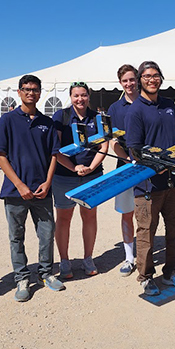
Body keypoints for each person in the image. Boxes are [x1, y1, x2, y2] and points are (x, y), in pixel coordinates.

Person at [125, 61, 175, 296]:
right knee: (146, 233)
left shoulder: (169, 105)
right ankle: (146, 276)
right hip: (149, 185)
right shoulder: (135, 110)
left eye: (156, 75)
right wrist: (154, 165)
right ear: (140, 79)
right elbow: (134, 149)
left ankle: (172, 272)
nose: (152, 79)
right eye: (147, 76)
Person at [0, 74, 65, 302]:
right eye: (26, 89)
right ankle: (22, 278)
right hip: (15, 192)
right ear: (19, 92)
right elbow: (0, 155)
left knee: (46, 234)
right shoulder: (8, 120)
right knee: (17, 236)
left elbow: (54, 154)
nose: (30, 93)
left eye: (34, 89)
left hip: (42, 190)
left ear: (40, 93)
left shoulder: (47, 122)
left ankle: (45, 273)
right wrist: (19, 184)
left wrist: (48, 181)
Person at [52, 82, 108, 278]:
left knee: (89, 216)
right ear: (71, 97)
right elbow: (56, 148)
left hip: (92, 176)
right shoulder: (61, 116)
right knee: (64, 218)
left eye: (83, 95)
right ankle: (64, 261)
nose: (80, 99)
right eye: (76, 95)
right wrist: (73, 167)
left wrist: (91, 167)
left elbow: (104, 145)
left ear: (88, 96)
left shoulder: (97, 117)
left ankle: (88, 258)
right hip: (65, 176)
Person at [108, 64, 140, 277]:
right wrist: (127, 159)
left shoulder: (148, 102)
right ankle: (129, 257)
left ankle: (147, 255)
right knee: (127, 213)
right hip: (125, 168)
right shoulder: (115, 109)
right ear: (120, 83)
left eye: (131, 79)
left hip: (149, 167)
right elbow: (112, 140)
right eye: (124, 81)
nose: (129, 84)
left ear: (137, 79)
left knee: (148, 214)